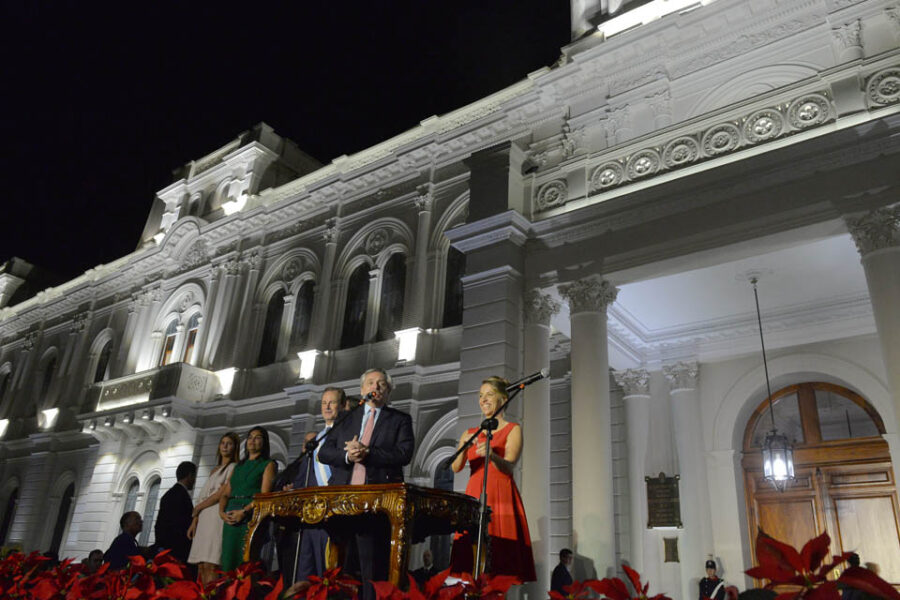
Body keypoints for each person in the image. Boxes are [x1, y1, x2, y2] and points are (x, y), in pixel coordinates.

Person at [319, 368, 414, 600]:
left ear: (388, 391)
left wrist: (368, 452)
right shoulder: (347, 418)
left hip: (377, 504)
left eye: (382, 384)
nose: (376, 387)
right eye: (371, 383)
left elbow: (403, 454)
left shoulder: (399, 419)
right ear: (362, 390)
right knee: (341, 570)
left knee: (372, 569)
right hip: (342, 503)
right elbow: (324, 452)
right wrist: (347, 456)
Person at [449, 376, 536, 583]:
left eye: (489, 395)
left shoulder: (513, 429)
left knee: (500, 563)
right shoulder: (470, 433)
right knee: (469, 563)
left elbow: (509, 465)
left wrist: (492, 454)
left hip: (500, 497)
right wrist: (464, 446)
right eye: (480, 395)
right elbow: (455, 467)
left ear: (503, 400)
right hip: (474, 495)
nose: (483, 399)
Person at [277, 387, 350, 585]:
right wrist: (294, 489)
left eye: (332, 402)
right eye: (324, 403)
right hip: (310, 518)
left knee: (328, 575)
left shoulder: (348, 434)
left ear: (343, 406)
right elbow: (306, 474)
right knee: (305, 575)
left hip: (333, 515)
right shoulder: (316, 439)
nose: (327, 406)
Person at [218, 427, 277, 571]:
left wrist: (244, 512)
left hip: (249, 516)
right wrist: (221, 512)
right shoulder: (238, 466)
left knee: (244, 560)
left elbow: (264, 496)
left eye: (257, 437)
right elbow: (225, 493)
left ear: (264, 442)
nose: (252, 440)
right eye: (250, 437)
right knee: (227, 558)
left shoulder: (268, 464)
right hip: (230, 514)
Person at [187, 432, 240, 584]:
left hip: (215, 518)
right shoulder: (214, 470)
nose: (225, 446)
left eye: (229, 443)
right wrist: (195, 520)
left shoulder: (234, 467)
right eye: (222, 442)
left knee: (211, 563)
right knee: (201, 565)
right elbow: (204, 496)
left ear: (234, 447)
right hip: (203, 519)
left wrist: (198, 508)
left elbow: (220, 493)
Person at [154, 461, 197, 563]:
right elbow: (180, 524)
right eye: (194, 476)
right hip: (178, 550)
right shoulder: (182, 496)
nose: (195, 480)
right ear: (190, 475)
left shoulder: (168, 494)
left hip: (165, 547)